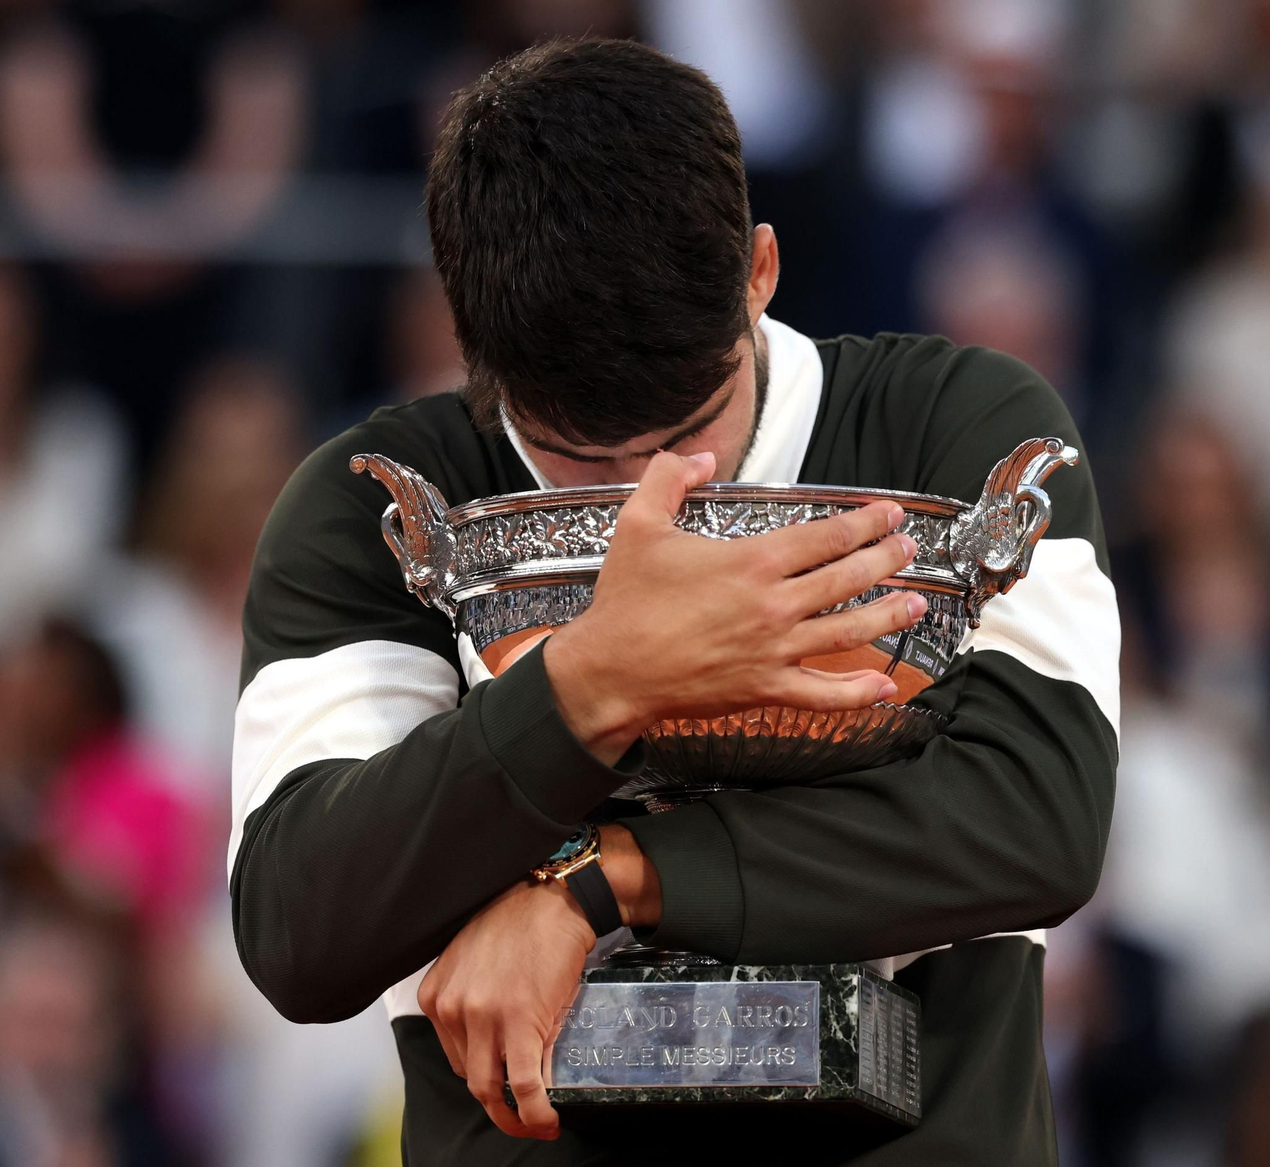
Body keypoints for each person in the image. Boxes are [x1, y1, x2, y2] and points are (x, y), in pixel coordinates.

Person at [230, 38, 1119, 1166]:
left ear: (759, 272)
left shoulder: (962, 428)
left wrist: (602, 884)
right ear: (468, 338)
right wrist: (594, 681)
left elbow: (1036, 816)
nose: (653, 501)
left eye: (686, 435)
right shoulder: (387, 504)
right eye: (577, 460)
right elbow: (300, 929)